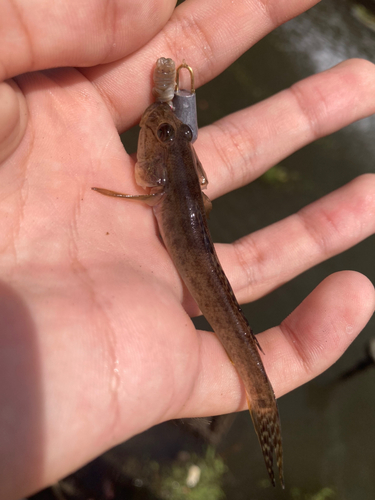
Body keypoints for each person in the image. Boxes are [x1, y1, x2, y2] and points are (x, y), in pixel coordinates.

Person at [1, 0, 374, 497]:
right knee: (240, 332)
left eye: (164, 133)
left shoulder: (158, 179)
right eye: (164, 131)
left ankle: (262, 405)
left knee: (246, 350)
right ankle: (262, 405)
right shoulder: (180, 178)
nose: (160, 127)